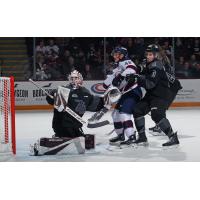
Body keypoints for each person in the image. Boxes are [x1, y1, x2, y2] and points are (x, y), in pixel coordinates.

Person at [127, 44, 180, 147]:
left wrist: (137, 78)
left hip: (163, 94)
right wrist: (136, 71)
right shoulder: (149, 63)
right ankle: (142, 137)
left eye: (150, 54)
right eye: (147, 54)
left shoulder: (157, 66)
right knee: (137, 109)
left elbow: (150, 84)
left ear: (156, 55)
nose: (148, 56)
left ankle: (173, 137)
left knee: (157, 114)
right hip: (153, 94)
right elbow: (142, 69)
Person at [46, 70, 104, 138]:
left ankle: (69, 135)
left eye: (76, 78)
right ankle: (60, 135)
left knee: (79, 138)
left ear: (81, 79)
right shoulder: (63, 90)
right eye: (72, 78)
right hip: (62, 126)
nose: (74, 80)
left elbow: (94, 105)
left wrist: (105, 101)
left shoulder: (85, 93)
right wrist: (54, 94)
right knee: (70, 134)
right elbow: (50, 100)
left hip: (76, 126)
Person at [103, 47, 142, 145]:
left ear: (123, 55)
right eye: (114, 54)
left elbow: (132, 69)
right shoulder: (118, 66)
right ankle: (121, 135)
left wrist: (120, 76)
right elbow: (108, 82)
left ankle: (131, 136)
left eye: (117, 54)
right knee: (115, 115)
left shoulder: (127, 61)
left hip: (133, 91)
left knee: (124, 114)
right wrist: (106, 83)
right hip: (125, 94)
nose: (115, 56)